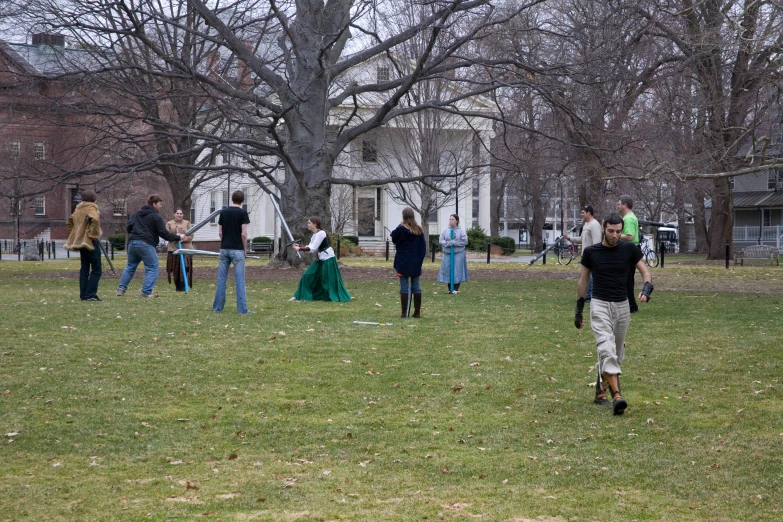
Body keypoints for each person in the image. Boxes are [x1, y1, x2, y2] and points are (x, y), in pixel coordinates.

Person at [574, 213, 653, 415]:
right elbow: (583, 281)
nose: (615, 235)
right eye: (611, 231)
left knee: (616, 354)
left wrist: (646, 289)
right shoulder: (592, 252)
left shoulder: (629, 249)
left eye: (618, 231)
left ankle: (601, 392)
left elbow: (645, 272)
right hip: (599, 304)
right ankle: (617, 396)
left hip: (622, 306)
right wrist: (579, 310)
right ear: (603, 229)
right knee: (606, 347)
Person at [117, 194, 184, 298]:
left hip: (132, 243)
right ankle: (146, 292)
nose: (161, 206)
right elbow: (164, 233)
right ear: (154, 204)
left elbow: (129, 227)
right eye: (160, 204)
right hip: (146, 243)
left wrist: (134, 235)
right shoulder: (156, 216)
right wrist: (177, 237)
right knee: (152, 267)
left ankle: (121, 289)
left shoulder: (137, 214)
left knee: (130, 266)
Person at [292, 217, 351, 302]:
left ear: (315, 224)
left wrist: (300, 249)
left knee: (328, 279)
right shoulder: (315, 235)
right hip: (320, 259)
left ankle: (333, 295)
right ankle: (300, 296)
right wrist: (300, 247)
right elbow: (310, 247)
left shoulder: (321, 233)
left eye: (309, 223)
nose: (307, 224)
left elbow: (313, 248)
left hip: (328, 258)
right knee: (307, 275)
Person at [213, 190, 251, 314]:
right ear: (242, 200)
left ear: (232, 199)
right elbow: (244, 234)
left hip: (224, 249)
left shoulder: (223, 212)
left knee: (221, 279)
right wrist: (244, 249)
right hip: (238, 250)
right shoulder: (242, 213)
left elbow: (220, 232)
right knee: (240, 280)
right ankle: (242, 309)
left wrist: (224, 242)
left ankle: (217, 308)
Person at [64, 190, 103, 301]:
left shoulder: (78, 208)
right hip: (90, 241)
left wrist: (76, 233)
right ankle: (90, 294)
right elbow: (95, 219)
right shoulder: (91, 207)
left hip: (80, 242)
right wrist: (93, 233)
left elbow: (69, 222)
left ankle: (84, 294)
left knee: (84, 269)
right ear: (94, 198)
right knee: (97, 269)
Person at [391, 207, 427, 318]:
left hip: (403, 262)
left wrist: (399, 225)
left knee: (404, 286)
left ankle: (404, 313)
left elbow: (393, 238)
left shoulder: (401, 229)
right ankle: (417, 312)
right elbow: (423, 248)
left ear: (403, 217)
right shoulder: (419, 230)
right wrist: (419, 260)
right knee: (416, 286)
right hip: (415, 263)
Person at [617, 195, 641, 313]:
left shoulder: (628, 219)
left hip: (629, 250)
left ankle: (631, 306)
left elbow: (630, 237)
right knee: (627, 279)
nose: (618, 205)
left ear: (625, 205)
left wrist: (615, 234)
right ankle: (628, 305)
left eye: (619, 203)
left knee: (627, 280)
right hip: (629, 250)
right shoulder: (628, 217)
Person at [437, 214, 469, 294]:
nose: (451, 221)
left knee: (457, 270)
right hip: (448, 253)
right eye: (450, 219)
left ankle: (455, 289)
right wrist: (447, 244)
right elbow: (441, 240)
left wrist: (455, 243)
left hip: (458, 253)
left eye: (453, 219)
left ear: (457, 221)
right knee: (448, 270)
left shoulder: (461, 231)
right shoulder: (445, 230)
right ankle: (450, 289)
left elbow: (465, 241)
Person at [166, 209, 194, 292]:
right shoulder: (169, 223)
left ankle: (185, 286)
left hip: (186, 249)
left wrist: (182, 238)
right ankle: (178, 287)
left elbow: (191, 235)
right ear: (174, 214)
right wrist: (175, 233)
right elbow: (167, 235)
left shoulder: (187, 223)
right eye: (177, 213)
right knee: (176, 269)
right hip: (174, 249)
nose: (179, 215)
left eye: (181, 213)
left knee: (185, 267)